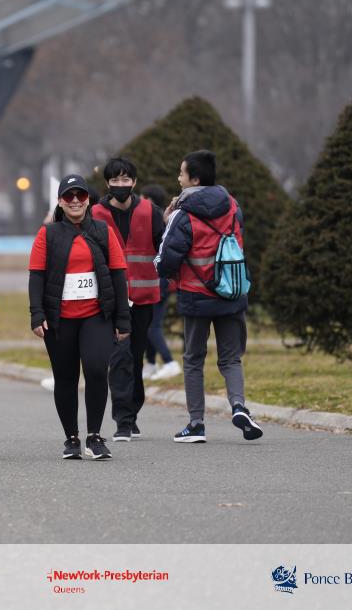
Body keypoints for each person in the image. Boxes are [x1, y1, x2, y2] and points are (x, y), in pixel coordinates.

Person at [154, 150, 264, 443]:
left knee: (193, 359)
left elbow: (167, 260)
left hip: (196, 296)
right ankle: (238, 406)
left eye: (182, 173)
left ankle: (196, 424)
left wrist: (167, 224)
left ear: (194, 179)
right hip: (231, 292)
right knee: (231, 358)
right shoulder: (232, 205)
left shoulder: (182, 213)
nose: (178, 178)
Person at [29, 174, 130, 460]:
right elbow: (36, 276)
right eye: (69, 196)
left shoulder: (103, 231)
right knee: (65, 377)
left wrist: (123, 318)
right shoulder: (48, 234)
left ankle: (94, 436)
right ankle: (71, 438)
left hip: (96, 315)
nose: (75, 201)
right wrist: (36, 313)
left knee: (97, 369)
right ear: (60, 201)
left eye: (81, 195)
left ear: (88, 201)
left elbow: (118, 275)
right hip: (59, 318)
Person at [91, 157, 164, 443]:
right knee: (119, 357)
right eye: (115, 180)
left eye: (125, 180)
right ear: (107, 183)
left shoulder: (151, 212)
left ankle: (131, 412)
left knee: (135, 357)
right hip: (110, 300)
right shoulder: (95, 214)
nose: (120, 185)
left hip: (143, 299)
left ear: (134, 182)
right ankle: (123, 420)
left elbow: (164, 250)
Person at [140, 183, 182, 382]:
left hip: (157, 281)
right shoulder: (161, 220)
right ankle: (150, 364)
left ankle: (169, 362)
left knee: (152, 326)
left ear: (149, 200)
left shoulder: (154, 221)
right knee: (149, 324)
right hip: (158, 280)